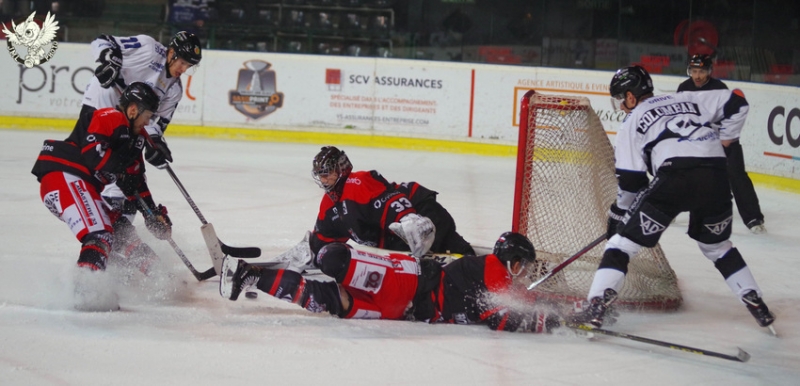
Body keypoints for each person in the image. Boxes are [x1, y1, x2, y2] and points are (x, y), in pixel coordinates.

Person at [575, 66, 775, 331]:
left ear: (631, 97)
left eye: (622, 99)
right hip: (716, 177)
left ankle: (596, 305)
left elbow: (632, 181)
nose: (622, 106)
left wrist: (619, 215)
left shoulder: (631, 122)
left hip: (675, 178)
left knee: (621, 245)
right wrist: (725, 140)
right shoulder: (688, 98)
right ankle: (755, 301)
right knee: (717, 247)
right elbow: (737, 102)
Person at [220, 232, 560, 333]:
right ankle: (260, 271)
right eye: (520, 265)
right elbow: (499, 316)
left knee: (328, 300)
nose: (521, 272)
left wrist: (548, 311)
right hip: (407, 288)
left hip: (401, 304)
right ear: (510, 261)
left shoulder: (494, 276)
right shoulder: (492, 268)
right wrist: (550, 320)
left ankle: (253, 276)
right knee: (334, 274)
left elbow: (503, 308)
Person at [66, 30, 201, 269]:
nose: (183, 69)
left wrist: (157, 145)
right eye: (182, 62)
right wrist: (107, 59)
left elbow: (154, 126)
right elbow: (101, 40)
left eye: (188, 66)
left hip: (129, 120)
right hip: (104, 101)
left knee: (130, 179)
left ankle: (113, 246)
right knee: (110, 173)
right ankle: (103, 240)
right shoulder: (148, 49)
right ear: (170, 53)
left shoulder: (174, 90)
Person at [31, 83, 172, 309]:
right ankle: (85, 293)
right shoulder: (111, 117)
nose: (148, 122)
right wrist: (120, 172)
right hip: (64, 175)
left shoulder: (136, 138)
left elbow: (135, 180)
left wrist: (151, 213)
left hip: (82, 185)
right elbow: (92, 153)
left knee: (123, 232)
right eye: (147, 116)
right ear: (133, 110)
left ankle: (164, 279)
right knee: (100, 234)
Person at [274, 146, 475, 272]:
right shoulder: (330, 204)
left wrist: (410, 219)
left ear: (341, 169)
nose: (323, 179)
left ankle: (480, 266)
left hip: (422, 212)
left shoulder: (357, 182)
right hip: (395, 236)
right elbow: (323, 238)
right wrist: (306, 253)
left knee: (453, 249)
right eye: (320, 175)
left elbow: (391, 201)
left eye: (327, 173)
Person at [677, 54, 766, 234]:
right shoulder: (683, 88)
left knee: (736, 175)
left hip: (725, 141)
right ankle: (671, 209)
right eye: (694, 71)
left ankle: (753, 218)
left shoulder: (720, 88)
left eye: (701, 71)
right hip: (698, 142)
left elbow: (732, 114)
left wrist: (726, 137)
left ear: (709, 71)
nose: (697, 75)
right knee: (682, 174)